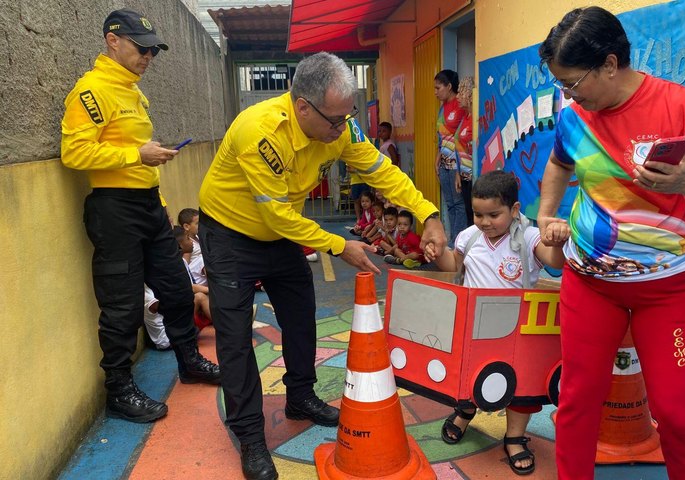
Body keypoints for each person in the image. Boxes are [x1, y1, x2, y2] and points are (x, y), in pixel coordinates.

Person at [196, 51, 446, 480]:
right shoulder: (262, 132)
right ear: (302, 107)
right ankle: (252, 438)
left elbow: (382, 172)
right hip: (231, 234)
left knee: (299, 315)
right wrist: (337, 244)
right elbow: (275, 215)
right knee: (235, 338)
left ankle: (300, 396)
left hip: (281, 231)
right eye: (335, 120)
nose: (342, 129)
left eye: (346, 118)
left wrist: (429, 214)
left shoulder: (338, 127)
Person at [536, 7, 685, 480]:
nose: (567, 96)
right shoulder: (575, 116)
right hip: (590, 283)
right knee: (576, 404)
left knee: (679, 415)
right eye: (561, 86)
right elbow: (558, 164)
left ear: (610, 64)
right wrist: (546, 215)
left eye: (573, 83)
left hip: (670, 289)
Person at [60, 8, 220, 424]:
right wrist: (138, 153)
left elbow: (131, 151)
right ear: (113, 41)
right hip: (115, 209)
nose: (149, 56)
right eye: (141, 48)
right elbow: (74, 152)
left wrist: (151, 159)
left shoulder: (133, 91)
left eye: (154, 51)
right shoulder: (91, 91)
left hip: (149, 205)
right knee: (122, 307)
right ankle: (119, 389)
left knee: (178, 290)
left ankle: (189, 362)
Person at [425, 170, 568, 475]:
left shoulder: (528, 236)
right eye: (478, 214)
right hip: (474, 327)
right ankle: (464, 412)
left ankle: (514, 437)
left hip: (516, 331)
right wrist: (438, 255)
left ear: (514, 210)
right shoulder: (469, 236)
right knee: (468, 377)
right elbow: (453, 266)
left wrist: (556, 240)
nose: (485, 221)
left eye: (494, 214)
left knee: (520, 385)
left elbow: (555, 263)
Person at [435, 69, 468, 247]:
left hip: (457, 165)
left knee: (459, 204)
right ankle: (452, 241)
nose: (435, 92)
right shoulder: (442, 108)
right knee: (449, 204)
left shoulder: (460, 105)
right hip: (444, 163)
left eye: (438, 87)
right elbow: (442, 137)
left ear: (449, 86)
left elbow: (460, 136)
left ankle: (458, 244)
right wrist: (437, 158)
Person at [455, 77, 475, 226]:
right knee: (468, 212)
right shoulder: (465, 118)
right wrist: (458, 174)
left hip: (472, 176)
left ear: (469, 95)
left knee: (474, 213)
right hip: (464, 175)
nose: (457, 97)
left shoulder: (474, 119)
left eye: (461, 93)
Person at [179, 208, 207, 286]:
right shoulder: (188, 244)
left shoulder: (198, 238)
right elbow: (186, 265)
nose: (201, 225)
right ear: (186, 226)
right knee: (203, 260)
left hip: (202, 273)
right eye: (197, 223)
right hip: (195, 277)